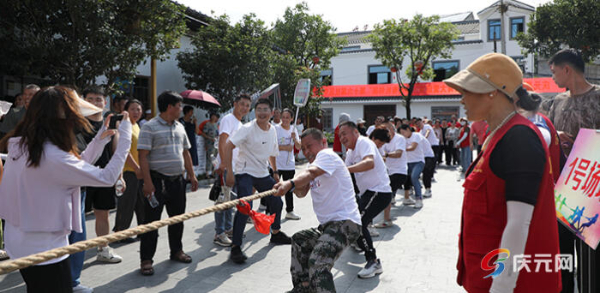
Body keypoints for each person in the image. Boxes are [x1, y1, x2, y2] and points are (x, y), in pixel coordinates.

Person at [444, 52, 561, 292]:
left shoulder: (519, 137)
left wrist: (501, 286)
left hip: (510, 285)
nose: (462, 99)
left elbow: (519, 223)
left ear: (492, 91)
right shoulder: (497, 133)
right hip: (483, 275)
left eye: (466, 91)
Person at [0, 86, 132, 292]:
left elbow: (74, 167)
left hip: (20, 242)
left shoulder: (21, 145)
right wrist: (126, 137)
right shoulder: (53, 155)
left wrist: (100, 139)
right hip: (45, 250)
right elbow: (107, 177)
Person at [273, 128, 361, 293]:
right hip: (328, 226)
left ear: (323, 143)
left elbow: (311, 173)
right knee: (300, 240)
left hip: (346, 223)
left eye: (309, 146)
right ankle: (303, 288)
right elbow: (301, 192)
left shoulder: (327, 156)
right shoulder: (312, 165)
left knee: (318, 261)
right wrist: (289, 186)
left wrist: (291, 183)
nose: (306, 152)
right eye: (303, 149)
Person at [547, 48, 600, 293]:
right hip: (562, 192)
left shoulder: (598, 96)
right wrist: (555, 135)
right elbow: (547, 135)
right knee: (563, 260)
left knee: (592, 266)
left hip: (593, 193)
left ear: (566, 69)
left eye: (554, 72)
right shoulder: (557, 102)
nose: (553, 78)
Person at [221, 98, 292, 264]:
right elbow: (228, 145)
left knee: (277, 202)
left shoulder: (273, 130)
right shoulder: (247, 128)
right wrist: (229, 172)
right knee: (245, 207)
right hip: (245, 172)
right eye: (258, 109)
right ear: (255, 112)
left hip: (262, 172)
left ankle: (275, 233)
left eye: (265, 109)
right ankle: (236, 247)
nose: (261, 113)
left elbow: (273, 152)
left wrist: (275, 173)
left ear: (272, 113)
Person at [138, 91, 199, 276]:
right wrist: (147, 183)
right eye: (179, 106)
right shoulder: (150, 127)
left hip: (177, 182)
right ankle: (146, 259)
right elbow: (143, 157)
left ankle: (176, 251)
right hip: (157, 182)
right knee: (151, 223)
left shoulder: (180, 127)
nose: (182, 109)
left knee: (177, 219)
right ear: (170, 107)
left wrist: (192, 175)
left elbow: (185, 153)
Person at [339, 121, 392, 278]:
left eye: (344, 133)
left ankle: (373, 261)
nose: (342, 138)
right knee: (354, 221)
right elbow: (344, 174)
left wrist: (344, 169)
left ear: (355, 132)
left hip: (379, 191)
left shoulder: (364, 142)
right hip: (368, 193)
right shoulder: (350, 152)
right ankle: (359, 242)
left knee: (359, 222)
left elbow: (369, 162)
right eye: (339, 135)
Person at [81, 87, 124, 263]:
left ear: (105, 102)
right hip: (81, 176)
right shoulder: (77, 123)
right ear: (83, 101)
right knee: (77, 216)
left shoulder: (112, 123)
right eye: (90, 99)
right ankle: (71, 253)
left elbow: (117, 152)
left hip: (104, 176)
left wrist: (119, 176)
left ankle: (103, 248)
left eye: (98, 99)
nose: (95, 102)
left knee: (103, 214)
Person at [212, 96, 250, 247]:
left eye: (247, 105)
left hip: (235, 167)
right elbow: (223, 141)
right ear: (235, 104)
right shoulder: (228, 119)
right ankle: (219, 233)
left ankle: (228, 228)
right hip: (227, 167)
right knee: (222, 200)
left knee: (229, 200)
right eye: (242, 104)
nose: (244, 108)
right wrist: (224, 164)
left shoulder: (240, 123)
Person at [113, 99, 146, 242]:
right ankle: (121, 232)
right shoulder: (123, 125)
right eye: (133, 109)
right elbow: (124, 150)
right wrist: (136, 167)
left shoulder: (137, 125)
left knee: (140, 203)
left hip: (139, 170)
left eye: (139, 109)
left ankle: (142, 230)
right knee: (126, 203)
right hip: (129, 171)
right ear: (125, 111)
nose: (136, 112)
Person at [373, 122, 407, 228]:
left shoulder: (399, 139)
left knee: (386, 195)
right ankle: (386, 218)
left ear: (393, 129)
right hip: (388, 172)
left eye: (387, 130)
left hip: (399, 172)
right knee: (387, 195)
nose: (386, 133)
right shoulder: (384, 141)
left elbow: (398, 154)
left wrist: (385, 155)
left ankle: (387, 220)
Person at [275, 108, 302, 220]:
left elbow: (298, 146)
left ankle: (290, 211)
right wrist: (285, 147)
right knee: (274, 188)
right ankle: (270, 211)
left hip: (289, 165)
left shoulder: (293, 129)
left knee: (289, 189)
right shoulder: (275, 129)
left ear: (292, 119)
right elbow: (271, 145)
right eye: (283, 117)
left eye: (287, 117)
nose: (285, 120)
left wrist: (295, 138)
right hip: (276, 164)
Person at [398, 125, 426, 208]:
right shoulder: (402, 138)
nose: (402, 134)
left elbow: (412, 147)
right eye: (401, 133)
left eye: (403, 132)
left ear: (408, 129)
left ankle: (419, 199)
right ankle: (406, 198)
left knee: (414, 177)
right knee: (405, 179)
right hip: (407, 162)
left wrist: (400, 149)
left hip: (418, 161)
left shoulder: (416, 135)